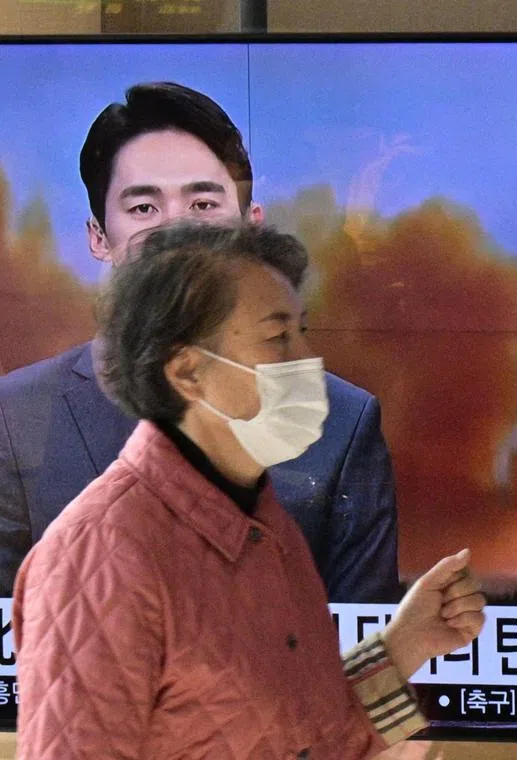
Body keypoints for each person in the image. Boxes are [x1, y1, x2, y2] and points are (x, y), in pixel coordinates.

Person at [12, 219, 487, 758]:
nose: (308, 360)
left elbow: (305, 734)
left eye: (303, 331)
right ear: (188, 371)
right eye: (278, 336)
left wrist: (405, 645)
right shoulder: (99, 555)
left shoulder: (267, 530)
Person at [0, 81, 399, 602]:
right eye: (144, 208)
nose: (177, 230)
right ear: (99, 236)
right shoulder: (16, 414)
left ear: (251, 226)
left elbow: (363, 651)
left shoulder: (342, 422)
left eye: (204, 202)